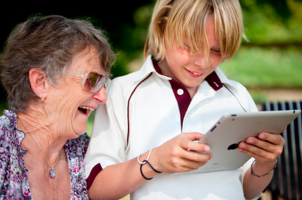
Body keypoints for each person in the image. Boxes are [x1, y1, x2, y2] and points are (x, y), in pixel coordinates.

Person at [84, 0, 285, 199]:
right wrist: (155, 161)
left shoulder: (238, 96)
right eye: (191, 46)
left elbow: (249, 193)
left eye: (216, 50)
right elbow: (96, 190)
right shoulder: (122, 93)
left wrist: (265, 163)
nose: (203, 62)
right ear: (162, 29)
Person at [0, 15, 115, 199]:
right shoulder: (3, 145)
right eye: (92, 80)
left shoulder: (84, 151)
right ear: (40, 83)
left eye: (104, 83)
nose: (103, 96)